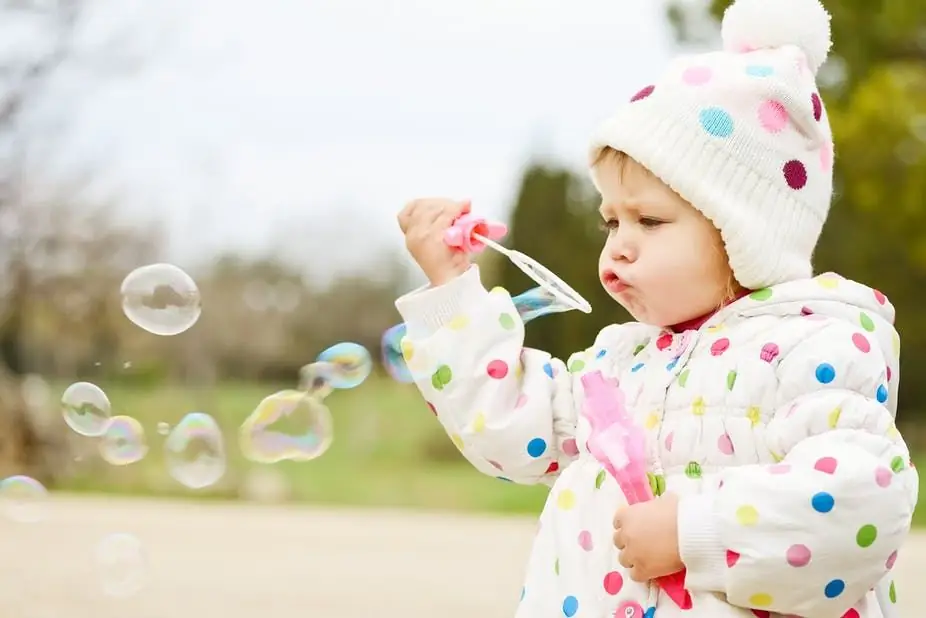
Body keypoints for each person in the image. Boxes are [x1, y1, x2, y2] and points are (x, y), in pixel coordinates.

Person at [393, 0, 919, 615]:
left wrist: (695, 533)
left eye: (649, 219)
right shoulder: (619, 364)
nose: (619, 244)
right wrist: (453, 289)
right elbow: (510, 425)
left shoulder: (815, 349)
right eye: (611, 220)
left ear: (742, 234)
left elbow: (862, 501)